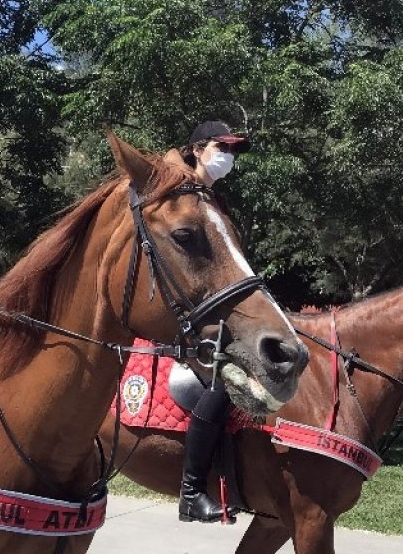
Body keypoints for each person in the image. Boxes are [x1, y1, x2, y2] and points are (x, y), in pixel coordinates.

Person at [173, 120, 251, 524]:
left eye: (233, 152)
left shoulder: (215, 203)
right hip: (186, 320)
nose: (229, 158)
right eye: (224, 148)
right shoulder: (181, 197)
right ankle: (191, 491)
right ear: (199, 148)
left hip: (217, 316)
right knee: (228, 382)